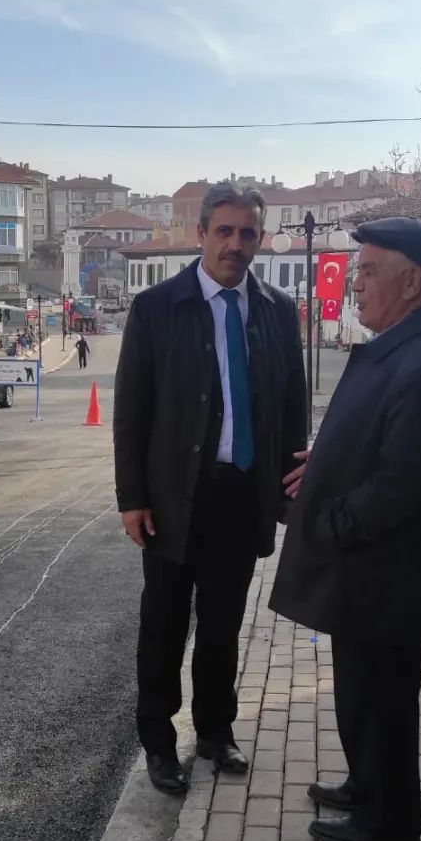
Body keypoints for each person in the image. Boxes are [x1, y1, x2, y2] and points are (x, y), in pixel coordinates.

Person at [269, 217, 421, 841]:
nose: (353, 284)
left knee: (384, 697)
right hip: (373, 571)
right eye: (355, 272)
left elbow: (399, 483)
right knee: (362, 689)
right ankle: (367, 786)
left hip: (390, 573)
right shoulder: (407, 346)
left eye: (366, 271)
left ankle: (388, 818)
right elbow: (380, 440)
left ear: (411, 282)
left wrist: (332, 523)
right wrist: (328, 462)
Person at [114, 183, 308, 795]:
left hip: (242, 495)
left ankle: (216, 731)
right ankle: (158, 742)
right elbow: (131, 412)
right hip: (174, 497)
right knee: (164, 625)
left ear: (260, 239)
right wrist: (132, 498)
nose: (235, 244)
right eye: (224, 231)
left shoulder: (277, 310)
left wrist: (288, 490)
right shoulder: (157, 308)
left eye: (247, 233)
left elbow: (291, 406)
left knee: (224, 625)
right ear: (201, 234)